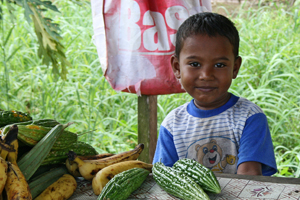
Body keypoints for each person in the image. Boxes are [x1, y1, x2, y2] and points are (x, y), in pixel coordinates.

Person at [152, 12, 277, 176]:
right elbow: (163, 178)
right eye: (195, 64)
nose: (206, 75)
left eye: (219, 65)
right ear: (177, 67)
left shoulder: (249, 117)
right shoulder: (172, 125)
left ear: (235, 68)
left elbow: (249, 179)